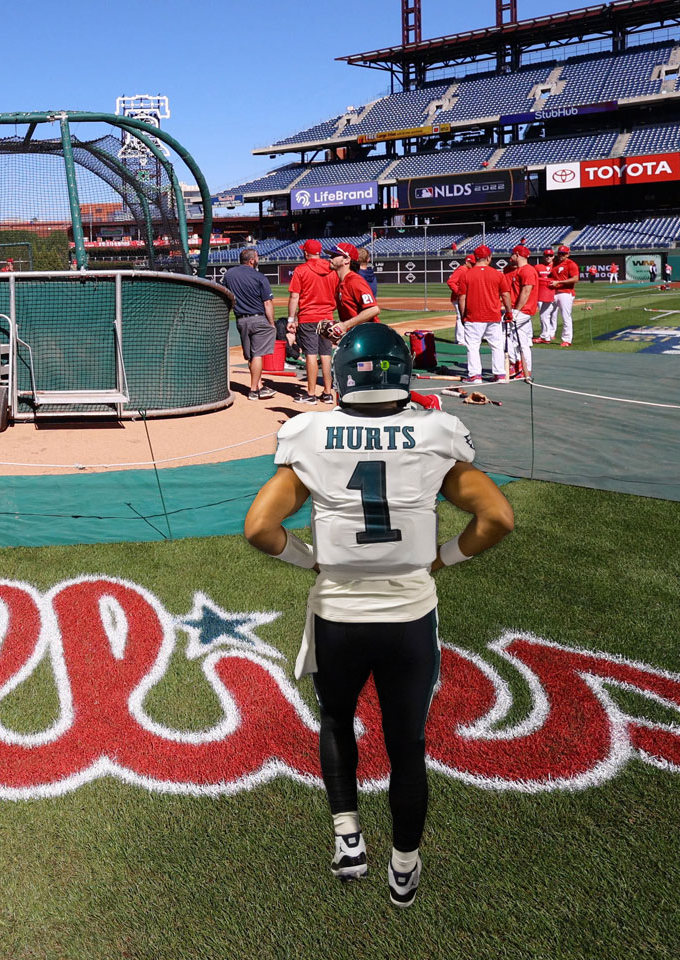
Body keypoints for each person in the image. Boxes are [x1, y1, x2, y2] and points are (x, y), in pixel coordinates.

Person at [244, 323, 514, 909]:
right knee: (407, 746)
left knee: (337, 722)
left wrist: (309, 561)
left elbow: (260, 528)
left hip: (338, 613)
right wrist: (440, 560)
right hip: (410, 617)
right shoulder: (436, 431)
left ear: (342, 376)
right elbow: (496, 518)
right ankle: (403, 867)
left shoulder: (308, 432)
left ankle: (348, 839)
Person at [285, 239, 340, 405]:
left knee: (310, 354)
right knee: (325, 355)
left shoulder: (301, 269)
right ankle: (328, 392)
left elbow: (295, 296)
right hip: (327, 317)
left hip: (309, 317)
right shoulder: (332, 269)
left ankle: (310, 393)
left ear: (305, 253)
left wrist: (290, 319)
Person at [223, 248, 278, 400]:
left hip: (241, 320)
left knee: (251, 356)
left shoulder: (229, 274)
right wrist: (271, 323)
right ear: (252, 260)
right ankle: (254, 390)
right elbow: (267, 303)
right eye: (257, 257)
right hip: (258, 319)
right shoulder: (260, 277)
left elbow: (225, 295)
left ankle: (259, 385)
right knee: (258, 355)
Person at [456, 246, 510, 383]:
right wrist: (509, 311)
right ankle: (500, 375)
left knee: (473, 346)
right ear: (488, 258)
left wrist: (463, 315)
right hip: (493, 315)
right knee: (496, 345)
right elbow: (505, 295)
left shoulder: (466, 274)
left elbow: (462, 298)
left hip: (473, 316)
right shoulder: (498, 274)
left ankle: (475, 375)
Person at [327, 241, 382, 342]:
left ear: (347, 260)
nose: (330, 258)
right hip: (358, 337)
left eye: (335, 255)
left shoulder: (354, 281)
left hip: (370, 337)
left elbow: (374, 309)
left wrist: (344, 325)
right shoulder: (341, 283)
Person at [504, 246, 540, 379]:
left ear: (517, 255)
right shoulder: (520, 270)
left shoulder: (527, 270)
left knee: (503, 334)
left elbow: (526, 292)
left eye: (513, 254)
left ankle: (516, 363)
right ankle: (525, 369)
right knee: (522, 341)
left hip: (523, 310)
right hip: (520, 310)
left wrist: (516, 311)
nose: (511, 256)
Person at [551, 245, 580, 347]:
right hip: (554, 291)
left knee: (565, 316)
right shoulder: (554, 263)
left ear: (568, 254)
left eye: (564, 254)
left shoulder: (571, 264)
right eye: (560, 253)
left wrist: (559, 282)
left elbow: (575, 279)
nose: (561, 255)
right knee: (550, 314)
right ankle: (549, 334)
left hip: (566, 292)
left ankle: (567, 339)